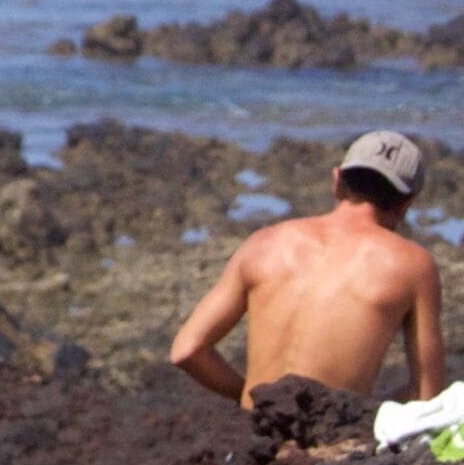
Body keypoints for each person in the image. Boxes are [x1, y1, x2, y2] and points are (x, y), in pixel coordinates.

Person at [166, 129, 446, 406]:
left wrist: (256, 400)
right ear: (407, 203)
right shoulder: (412, 265)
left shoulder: (263, 243)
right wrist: (364, 415)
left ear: (337, 181)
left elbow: (186, 350)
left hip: (257, 437)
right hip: (333, 442)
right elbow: (427, 392)